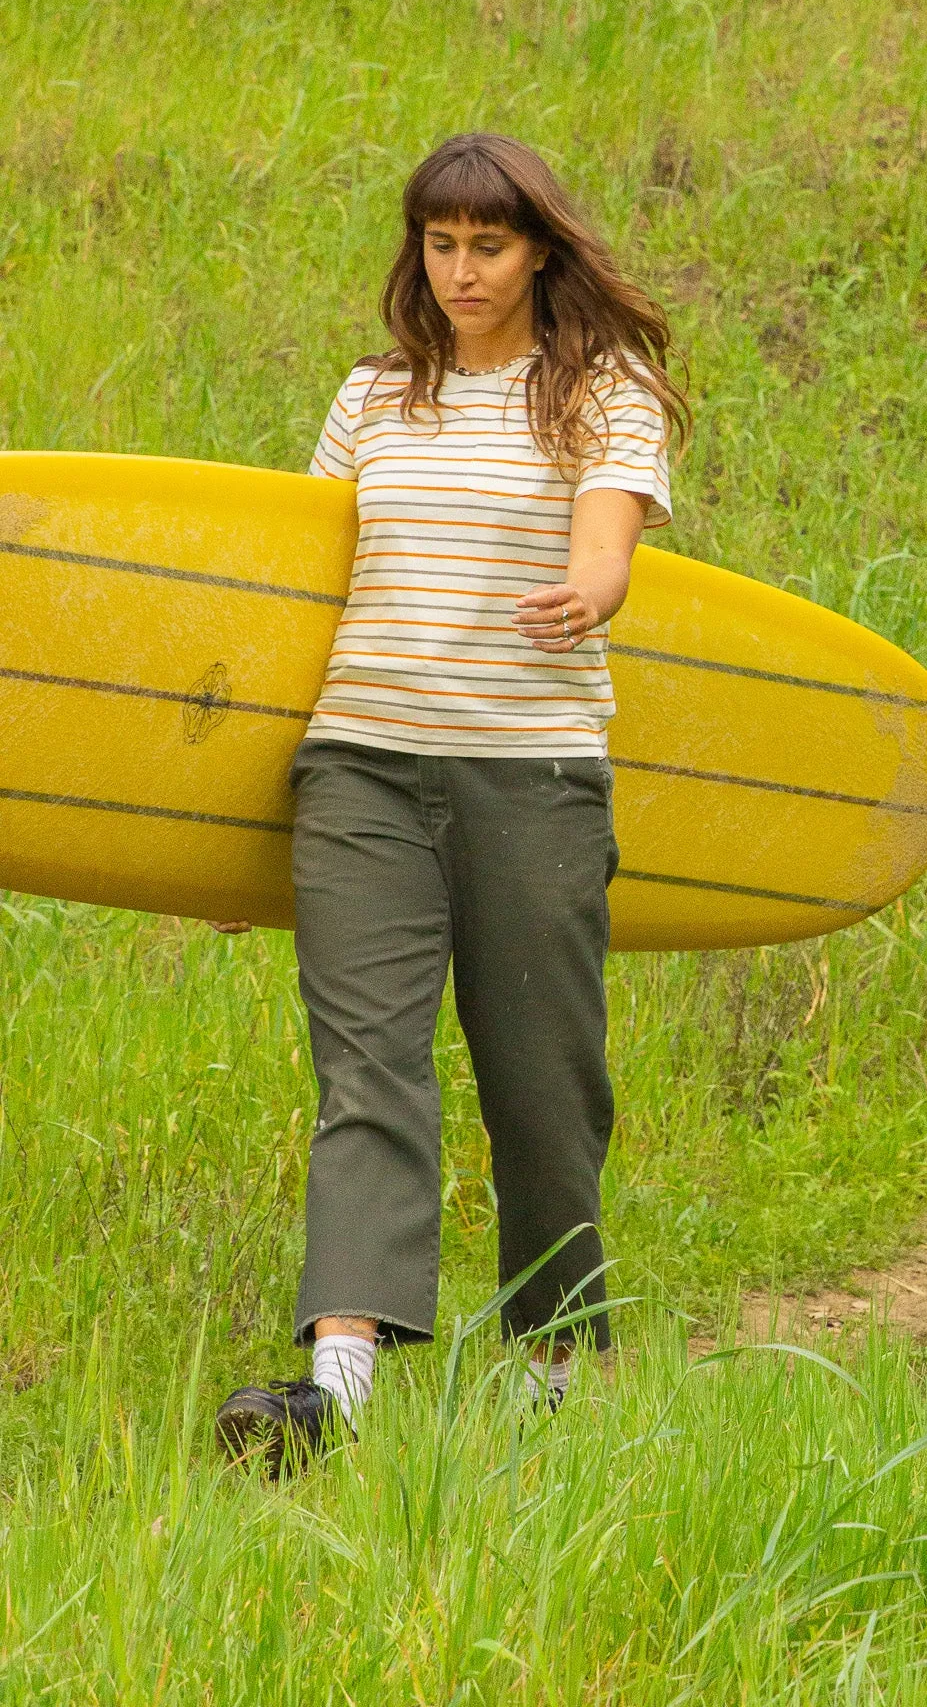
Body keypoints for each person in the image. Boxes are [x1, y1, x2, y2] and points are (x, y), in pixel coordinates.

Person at [213, 134, 689, 1475]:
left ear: (541, 249)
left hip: (532, 773)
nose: (462, 270)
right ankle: (339, 1385)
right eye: (441, 243)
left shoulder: (603, 391)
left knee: (544, 1081)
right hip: (359, 767)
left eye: (488, 244)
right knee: (366, 1070)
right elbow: (294, 600)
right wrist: (209, 837)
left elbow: (609, 537)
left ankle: (556, 1359)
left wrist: (589, 591)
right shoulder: (374, 396)